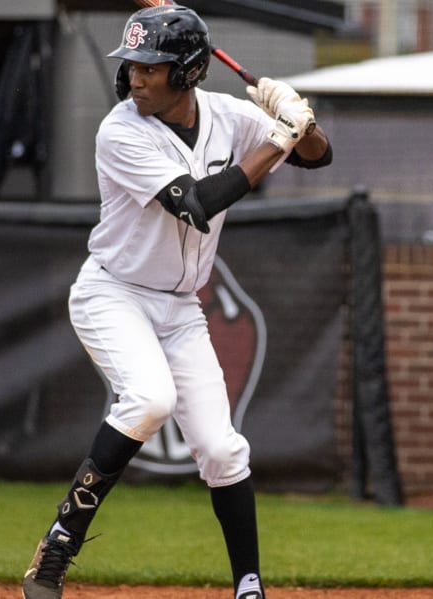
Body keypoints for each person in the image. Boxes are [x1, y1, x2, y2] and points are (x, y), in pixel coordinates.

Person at [21, 6, 332, 599]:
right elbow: (195, 203)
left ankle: (249, 586)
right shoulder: (120, 130)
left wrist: (297, 117)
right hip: (113, 293)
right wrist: (279, 139)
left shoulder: (227, 116)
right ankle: (59, 543)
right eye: (132, 64)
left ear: (188, 73)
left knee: (220, 448)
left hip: (180, 306)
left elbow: (319, 156)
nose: (135, 77)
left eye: (151, 66)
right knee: (150, 399)